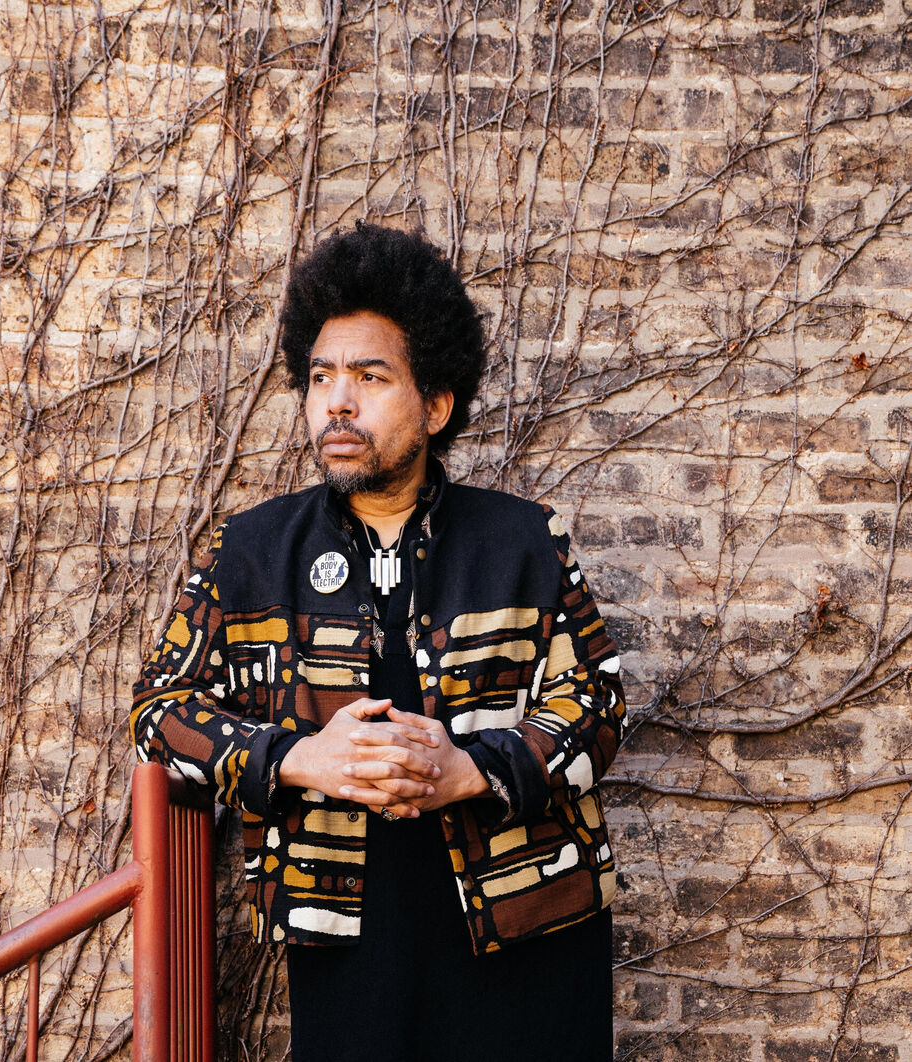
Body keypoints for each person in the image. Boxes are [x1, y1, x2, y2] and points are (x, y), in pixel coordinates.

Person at [131, 223, 626, 1061]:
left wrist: (471, 769)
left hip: (532, 933)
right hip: (346, 947)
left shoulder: (522, 540)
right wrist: (298, 759)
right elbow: (159, 711)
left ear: (435, 405)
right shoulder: (250, 551)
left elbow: (600, 699)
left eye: (369, 377)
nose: (338, 402)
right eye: (320, 377)